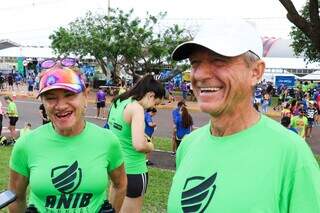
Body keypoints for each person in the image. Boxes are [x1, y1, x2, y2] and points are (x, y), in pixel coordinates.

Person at [167, 17, 320, 212]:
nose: (200, 75)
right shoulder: (188, 146)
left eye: (219, 61)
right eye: (195, 63)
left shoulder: (292, 155)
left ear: (256, 72)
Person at [8, 60, 127, 212]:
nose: (61, 105)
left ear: (84, 95)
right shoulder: (25, 144)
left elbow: (120, 185)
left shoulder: (107, 141)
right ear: (43, 102)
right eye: (50, 98)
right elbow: (15, 196)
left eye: (69, 94)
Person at [107, 74, 165, 213]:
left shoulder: (119, 101)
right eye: (155, 103)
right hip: (134, 171)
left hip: (116, 169)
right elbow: (139, 145)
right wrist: (150, 145)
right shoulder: (136, 108)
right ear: (150, 95)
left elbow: (119, 131)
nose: (153, 107)